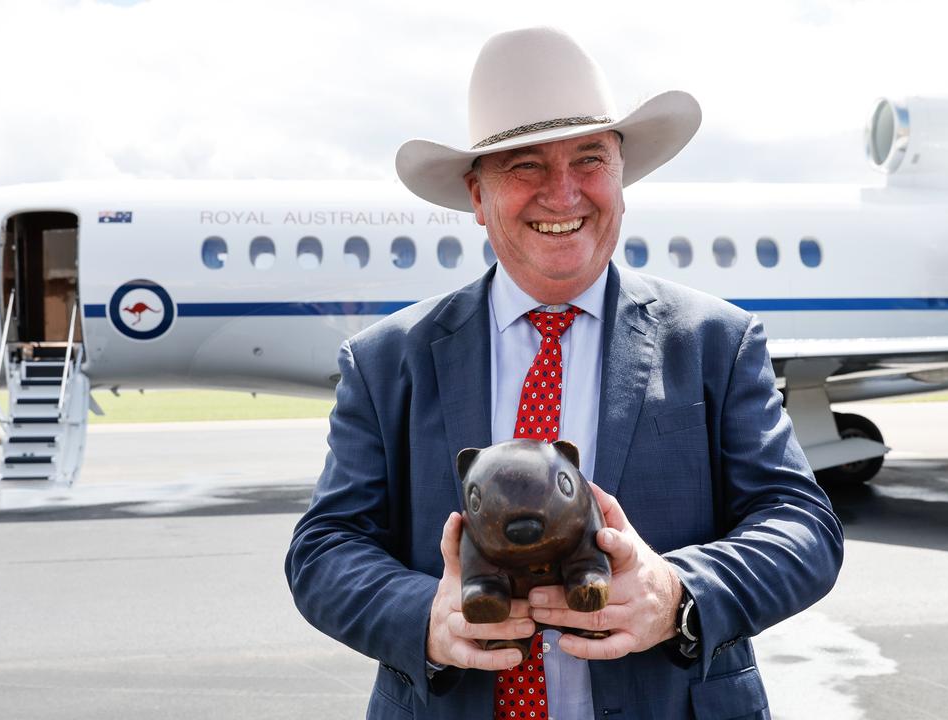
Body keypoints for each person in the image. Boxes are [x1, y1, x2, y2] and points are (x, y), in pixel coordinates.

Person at [286, 27, 842, 719]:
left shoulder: (714, 343)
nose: (564, 193)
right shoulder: (384, 362)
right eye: (524, 166)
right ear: (477, 195)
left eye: (589, 159)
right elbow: (324, 549)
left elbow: (804, 528)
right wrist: (425, 618)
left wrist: (676, 594)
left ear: (620, 178)